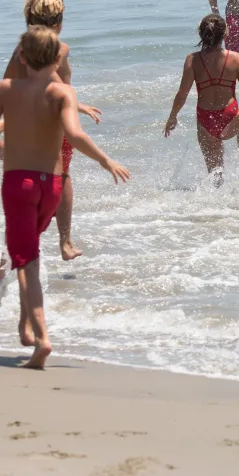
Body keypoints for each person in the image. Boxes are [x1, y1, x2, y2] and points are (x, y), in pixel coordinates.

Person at [0, 27, 130, 369]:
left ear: (23, 57)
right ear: (58, 58)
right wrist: (106, 160)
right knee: (28, 253)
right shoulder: (63, 93)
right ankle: (25, 326)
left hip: (19, 186)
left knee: (26, 262)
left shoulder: (7, 89)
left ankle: (41, 338)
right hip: (52, 188)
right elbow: (74, 134)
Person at [4, 0, 101, 261]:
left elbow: (9, 83)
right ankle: (65, 242)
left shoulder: (19, 51)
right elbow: (53, 79)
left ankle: (23, 240)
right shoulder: (60, 48)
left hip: (27, 121)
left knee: (21, 178)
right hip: (55, 120)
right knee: (62, 178)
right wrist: (77, 104)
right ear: (58, 20)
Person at [164, 15, 239, 184]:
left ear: (201, 35)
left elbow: (182, 94)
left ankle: (214, 200)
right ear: (225, 34)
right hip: (230, 117)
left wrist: (172, 117)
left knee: (215, 174)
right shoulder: (235, 58)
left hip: (205, 120)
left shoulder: (192, 59)